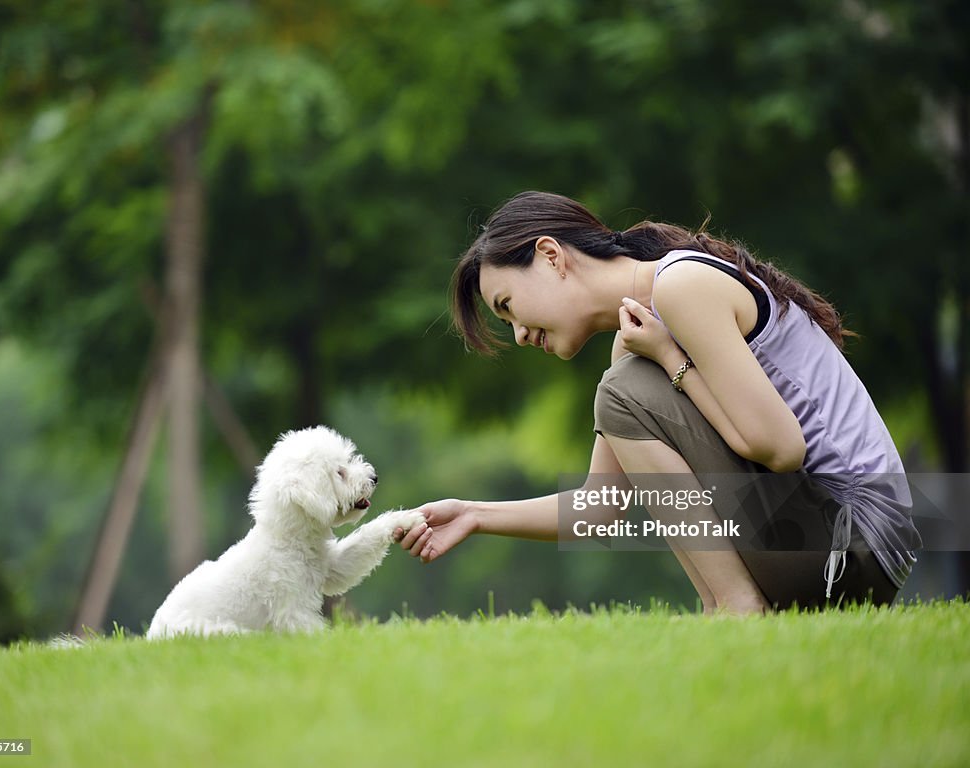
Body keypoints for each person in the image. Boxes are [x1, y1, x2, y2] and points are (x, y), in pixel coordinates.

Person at [394, 191, 921, 614]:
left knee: (622, 393)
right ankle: (725, 607)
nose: (519, 334)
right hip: (826, 539)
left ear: (551, 256)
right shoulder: (637, 340)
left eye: (508, 306)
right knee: (623, 390)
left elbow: (781, 448)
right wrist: (475, 514)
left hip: (856, 545)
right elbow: (599, 510)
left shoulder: (680, 288)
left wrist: (672, 361)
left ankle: (735, 608)